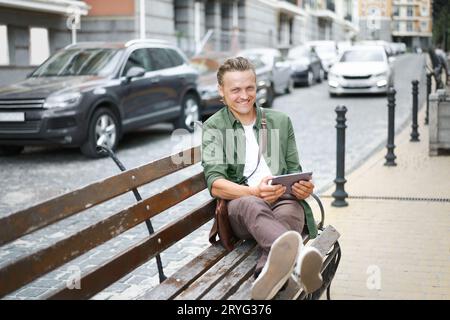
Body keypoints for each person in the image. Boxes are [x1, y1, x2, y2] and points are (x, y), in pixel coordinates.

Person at [201, 56, 323, 300]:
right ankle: (299, 261)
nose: (244, 95)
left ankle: (265, 276)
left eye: (250, 88)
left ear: (257, 86)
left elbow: (293, 170)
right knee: (252, 204)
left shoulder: (280, 121)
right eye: (235, 89)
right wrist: (254, 192)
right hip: (242, 208)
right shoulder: (214, 127)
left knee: (290, 211)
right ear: (221, 91)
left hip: (282, 201)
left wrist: (302, 188)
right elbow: (215, 184)